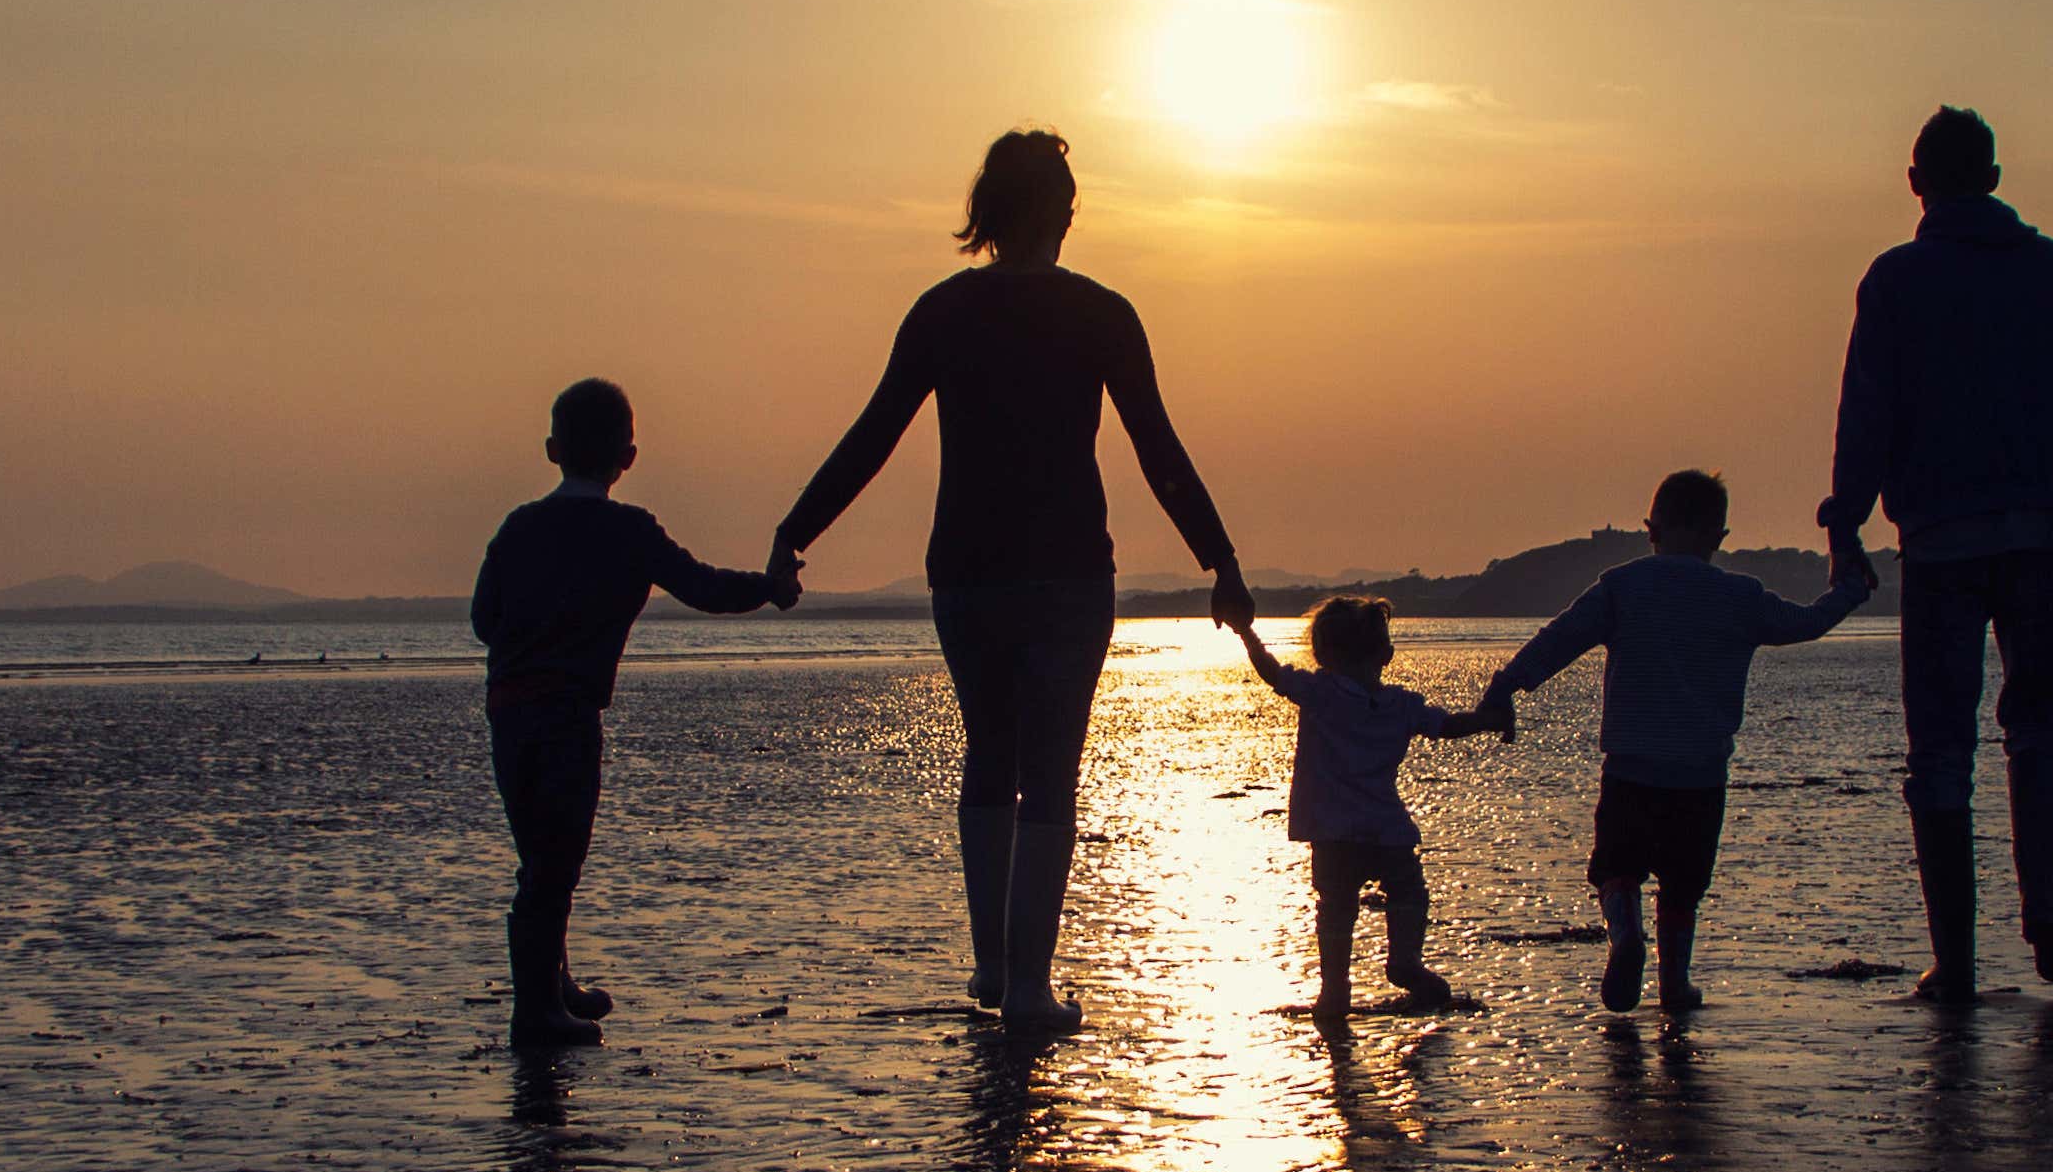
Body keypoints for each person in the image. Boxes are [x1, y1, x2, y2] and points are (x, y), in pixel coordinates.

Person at [770, 129, 1251, 1034]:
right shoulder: (1103, 313)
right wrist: (1219, 562)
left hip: (968, 571)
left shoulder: (942, 311)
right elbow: (1159, 451)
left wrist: (795, 533)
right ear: (1063, 212)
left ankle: (992, 967)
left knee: (988, 753)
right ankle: (1027, 983)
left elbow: (872, 436)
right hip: (1067, 570)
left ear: (985, 215)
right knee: (1051, 772)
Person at [1822, 106, 2053, 1002]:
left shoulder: (1895, 280)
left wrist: (1846, 520)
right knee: (2040, 727)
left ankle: (1957, 959)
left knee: (1939, 745)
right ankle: (2042, 901)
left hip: (1937, 544)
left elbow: (1868, 411)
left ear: (1916, 181)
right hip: (2041, 535)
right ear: (1996, 179)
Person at [471, 378, 791, 1052]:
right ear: (629, 455)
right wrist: (768, 587)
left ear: (553, 447)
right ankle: (535, 1011)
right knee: (554, 862)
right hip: (566, 712)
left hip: (507, 709)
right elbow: (705, 587)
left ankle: (552, 982)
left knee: (541, 852)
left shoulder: (518, 526)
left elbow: (482, 619)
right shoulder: (628, 531)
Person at [1482, 470, 1866, 1013]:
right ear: (1719, 536)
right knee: (1683, 887)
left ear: (1650, 528)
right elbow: (1806, 622)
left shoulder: (1623, 585)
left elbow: (1559, 639)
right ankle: (1673, 984)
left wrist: (1505, 687)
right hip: (1700, 773)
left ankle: (1625, 937)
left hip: (1630, 768)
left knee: (1617, 869)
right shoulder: (1740, 595)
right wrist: (1849, 590)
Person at [1234, 595, 1511, 1020]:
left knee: (1336, 909)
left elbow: (1273, 674)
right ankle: (1405, 963)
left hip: (1332, 832)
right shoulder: (1400, 705)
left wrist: (1247, 633)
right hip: (1387, 830)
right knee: (1408, 893)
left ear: (1323, 653)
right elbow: (1449, 726)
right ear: (1386, 654)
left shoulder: (1320, 692)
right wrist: (1488, 719)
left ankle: (1334, 990)